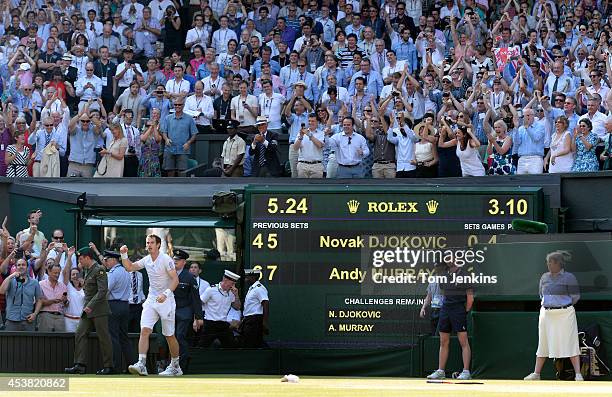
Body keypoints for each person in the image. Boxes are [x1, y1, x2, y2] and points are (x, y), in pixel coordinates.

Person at [120, 235, 181, 376]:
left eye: (152, 243)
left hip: (167, 300)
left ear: (158, 245)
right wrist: (123, 254)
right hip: (151, 300)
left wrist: (165, 294)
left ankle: (175, 366)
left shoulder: (166, 259)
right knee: (145, 330)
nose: (149, 245)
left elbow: (175, 280)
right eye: (147, 243)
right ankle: (141, 364)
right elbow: (130, 267)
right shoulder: (146, 260)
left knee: (169, 335)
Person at [524, 251, 582, 381]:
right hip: (546, 314)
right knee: (543, 343)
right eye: (547, 262)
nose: (548, 264)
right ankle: (536, 374)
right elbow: (541, 295)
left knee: (571, 342)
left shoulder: (569, 277)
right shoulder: (544, 277)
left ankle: (578, 374)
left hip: (565, 314)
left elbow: (575, 297)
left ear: (559, 263)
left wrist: (561, 305)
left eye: (551, 262)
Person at [65, 246, 114, 375]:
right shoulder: (88, 270)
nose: (80, 262)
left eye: (81, 259)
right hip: (88, 310)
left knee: (104, 338)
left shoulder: (99, 270)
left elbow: (102, 291)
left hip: (98, 310)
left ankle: (109, 366)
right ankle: (79, 365)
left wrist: (90, 305)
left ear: (87, 258)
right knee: (80, 333)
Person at [427, 257, 474, 381]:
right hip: (445, 309)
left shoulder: (465, 275)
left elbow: (470, 298)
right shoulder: (443, 275)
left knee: (463, 342)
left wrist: (464, 311)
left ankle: (466, 371)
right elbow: (444, 293)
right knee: (443, 341)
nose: (448, 260)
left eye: (451, 258)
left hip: (458, 310)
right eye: (446, 258)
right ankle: (441, 371)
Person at [100, 248, 133, 374]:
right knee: (124, 337)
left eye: (107, 260)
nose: (105, 262)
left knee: (113, 337)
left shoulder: (113, 273)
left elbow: (106, 290)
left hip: (114, 305)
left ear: (113, 260)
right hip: (125, 306)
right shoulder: (126, 271)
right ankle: (130, 365)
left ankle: (115, 367)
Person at [171, 249, 203, 373]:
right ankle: (172, 364)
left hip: (184, 311)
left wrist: (198, 317)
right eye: (174, 260)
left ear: (184, 262)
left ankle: (182, 364)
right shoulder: (169, 274)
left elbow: (196, 299)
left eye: (178, 260)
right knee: (169, 337)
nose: (175, 262)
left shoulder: (189, 277)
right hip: (170, 311)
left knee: (180, 336)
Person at [199, 270, 241, 348]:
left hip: (223, 324)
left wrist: (236, 296)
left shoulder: (232, 292)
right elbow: (200, 303)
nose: (233, 286)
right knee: (203, 346)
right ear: (225, 280)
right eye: (232, 283)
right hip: (210, 323)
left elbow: (237, 307)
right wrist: (196, 319)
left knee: (231, 345)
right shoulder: (211, 289)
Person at [0, 258, 43, 331]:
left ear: (27, 267)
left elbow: (39, 300)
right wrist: (11, 276)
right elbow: (2, 291)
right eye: (18, 265)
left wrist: (35, 314)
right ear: (16, 267)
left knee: (29, 342)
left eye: (23, 265)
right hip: (11, 320)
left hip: (28, 320)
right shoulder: (10, 281)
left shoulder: (34, 282)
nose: (21, 266)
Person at [160, 99, 198, 177]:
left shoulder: (189, 118)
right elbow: (164, 132)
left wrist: (188, 143)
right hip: (170, 148)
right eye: (175, 105)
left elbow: (194, 134)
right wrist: (166, 139)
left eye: (179, 104)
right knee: (169, 171)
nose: (177, 106)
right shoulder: (168, 118)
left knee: (182, 172)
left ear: (183, 106)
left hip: (183, 149)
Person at [242, 269, 269, 348]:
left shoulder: (259, 288)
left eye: (248, 277)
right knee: (254, 342)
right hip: (249, 320)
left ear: (253, 277)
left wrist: (264, 322)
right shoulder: (252, 289)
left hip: (255, 320)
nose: (246, 279)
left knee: (251, 343)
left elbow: (265, 303)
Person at [38, 263, 68, 332]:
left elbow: (66, 304)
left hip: (60, 316)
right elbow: (39, 302)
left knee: (60, 340)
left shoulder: (63, 286)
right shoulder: (41, 284)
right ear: (48, 271)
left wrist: (65, 301)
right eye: (55, 273)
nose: (57, 275)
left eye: (58, 273)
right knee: (44, 339)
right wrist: (52, 301)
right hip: (45, 315)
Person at [61, 247, 84, 333]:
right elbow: (65, 272)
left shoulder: (85, 288)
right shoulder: (68, 286)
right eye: (73, 274)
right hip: (68, 320)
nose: (75, 276)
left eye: (76, 274)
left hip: (82, 320)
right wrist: (69, 256)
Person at [420, 263, 445, 335]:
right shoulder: (432, 279)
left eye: (438, 266)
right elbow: (429, 296)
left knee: (441, 333)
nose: (436, 268)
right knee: (434, 332)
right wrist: (423, 308)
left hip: (444, 309)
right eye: (435, 266)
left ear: (442, 267)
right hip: (434, 310)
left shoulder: (448, 278)